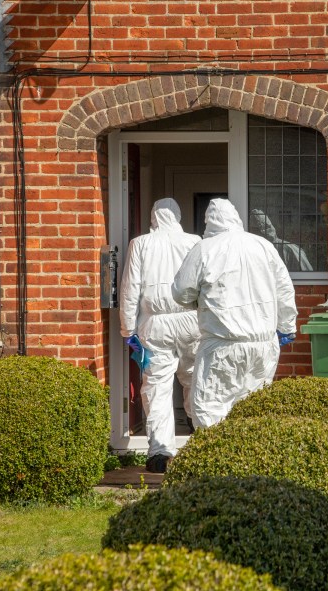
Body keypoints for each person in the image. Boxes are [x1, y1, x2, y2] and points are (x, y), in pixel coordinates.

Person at [172, 198, 298, 428]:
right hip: (263, 345)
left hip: (222, 344)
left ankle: (216, 463)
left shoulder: (204, 249)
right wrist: (287, 327)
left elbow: (181, 292)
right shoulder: (263, 246)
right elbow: (285, 291)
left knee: (210, 408)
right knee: (254, 411)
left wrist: (197, 303)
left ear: (209, 221)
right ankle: (251, 462)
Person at [118, 198, 201, 474]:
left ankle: (160, 452)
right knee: (197, 380)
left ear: (153, 217)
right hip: (192, 321)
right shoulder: (195, 242)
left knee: (157, 388)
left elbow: (131, 290)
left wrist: (127, 329)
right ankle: (203, 437)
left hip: (155, 325)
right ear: (178, 217)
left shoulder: (141, 244)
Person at [249, 208, 314, 272]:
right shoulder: (254, 252)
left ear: (263, 230)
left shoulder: (291, 251)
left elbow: (308, 278)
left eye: (254, 231)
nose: (251, 236)